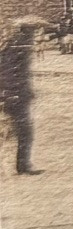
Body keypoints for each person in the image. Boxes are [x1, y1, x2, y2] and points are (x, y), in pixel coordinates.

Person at [1, 17, 48, 175]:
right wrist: (11, 93)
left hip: (15, 94)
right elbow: (8, 72)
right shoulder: (18, 47)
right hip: (14, 96)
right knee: (23, 131)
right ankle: (23, 166)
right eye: (33, 31)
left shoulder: (16, 45)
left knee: (20, 131)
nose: (35, 34)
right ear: (27, 31)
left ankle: (23, 165)